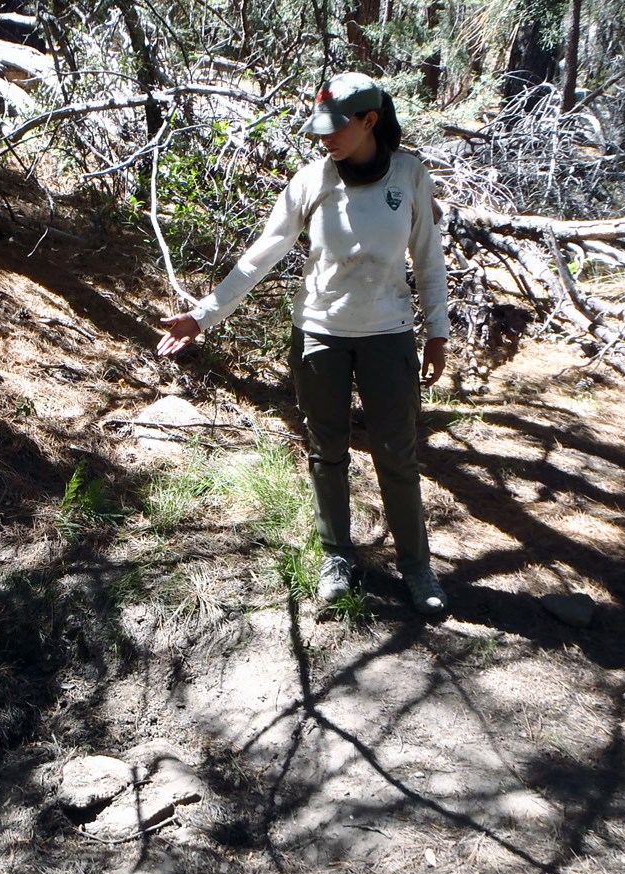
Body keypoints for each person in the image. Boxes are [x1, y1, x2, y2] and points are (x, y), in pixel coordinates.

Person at [156, 72, 450, 614]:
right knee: (326, 450)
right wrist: (204, 315)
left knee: (397, 453)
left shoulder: (410, 176)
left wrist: (437, 331)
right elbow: (261, 254)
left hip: (388, 334)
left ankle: (416, 566)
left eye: (338, 127)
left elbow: (428, 259)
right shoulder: (310, 181)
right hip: (320, 334)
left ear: (370, 122)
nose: (325, 139)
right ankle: (337, 557)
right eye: (320, 129)